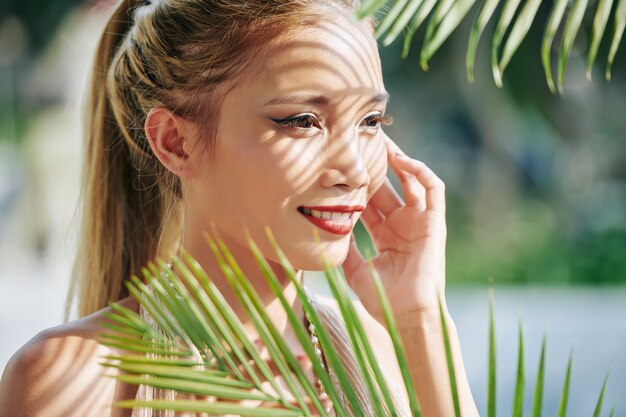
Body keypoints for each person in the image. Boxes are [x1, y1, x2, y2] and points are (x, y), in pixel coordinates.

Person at [0, 0, 480, 416]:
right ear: (176, 142)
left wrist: (421, 321)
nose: (355, 170)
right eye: (303, 121)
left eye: (370, 120)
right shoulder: (71, 382)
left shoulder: (389, 360)